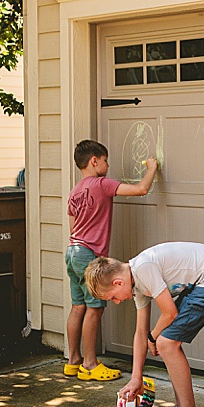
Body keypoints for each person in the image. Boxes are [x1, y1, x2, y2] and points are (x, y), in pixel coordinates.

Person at [85, 241, 204, 407]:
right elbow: (140, 332)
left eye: (113, 297)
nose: (117, 302)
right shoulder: (136, 283)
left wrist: (153, 336)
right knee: (166, 342)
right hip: (203, 279)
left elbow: (169, 313)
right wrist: (135, 377)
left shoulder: (143, 269)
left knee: (167, 343)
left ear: (118, 283)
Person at [64, 140, 157, 381]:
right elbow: (140, 190)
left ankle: (73, 361)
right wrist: (151, 169)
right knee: (94, 308)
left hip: (73, 251)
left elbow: (73, 227)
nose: (108, 164)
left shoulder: (75, 192)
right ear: (94, 161)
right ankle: (90, 364)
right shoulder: (102, 184)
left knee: (77, 306)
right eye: (105, 160)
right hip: (88, 255)